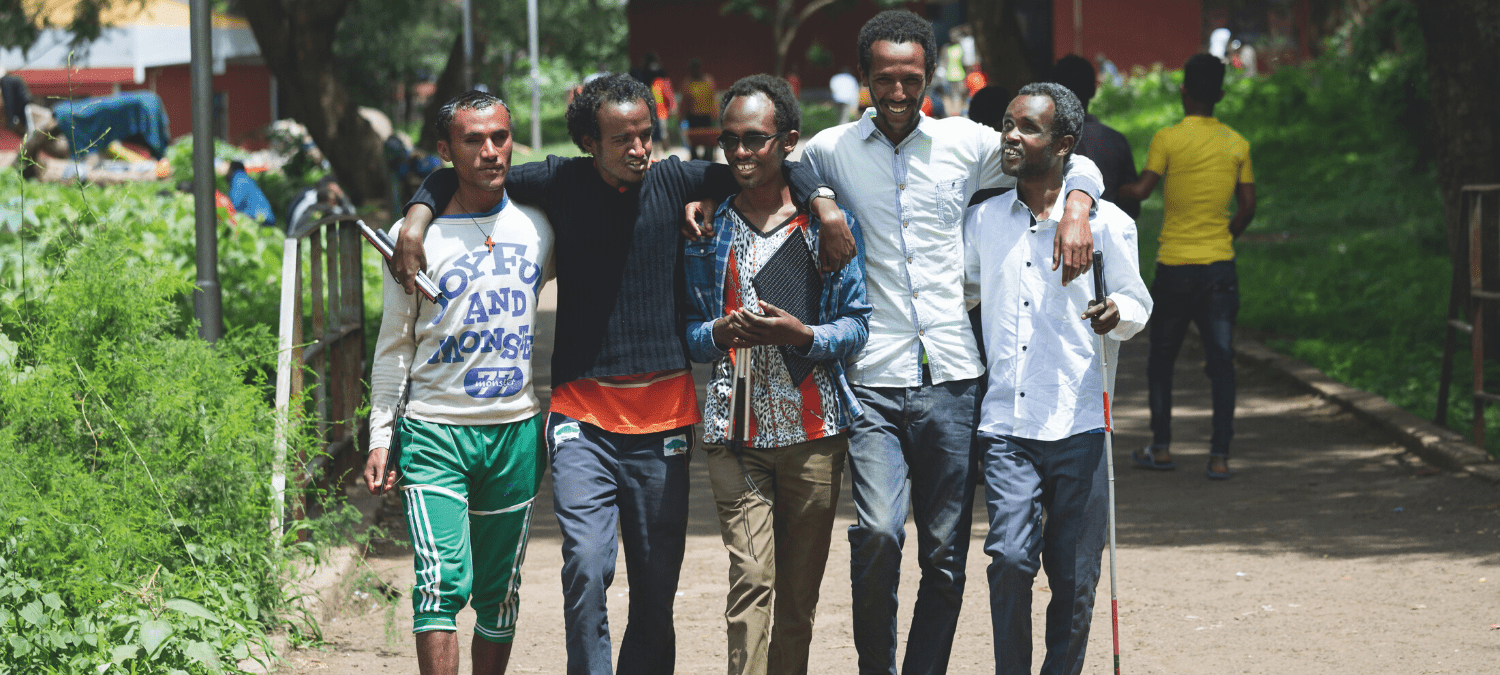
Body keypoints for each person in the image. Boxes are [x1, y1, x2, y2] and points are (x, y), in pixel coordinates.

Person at [391, 74, 853, 675]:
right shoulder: (558, 180)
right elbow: (462, 171)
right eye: (622, 140)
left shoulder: (677, 179)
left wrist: (824, 204)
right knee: (584, 564)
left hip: (663, 418)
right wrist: (414, 222)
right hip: (582, 414)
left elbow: (770, 165)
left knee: (656, 589)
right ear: (588, 140)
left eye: (646, 135)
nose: (640, 149)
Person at [797, 10, 1103, 674]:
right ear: (866, 77)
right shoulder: (831, 149)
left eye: (911, 77)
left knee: (943, 553)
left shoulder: (969, 143)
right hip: (873, 378)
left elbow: (1068, 153)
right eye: (885, 78)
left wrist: (1078, 203)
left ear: (930, 74)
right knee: (877, 532)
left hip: (955, 384)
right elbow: (782, 163)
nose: (898, 91)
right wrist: (823, 202)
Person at [363, 89, 555, 675]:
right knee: (441, 584)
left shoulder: (541, 226)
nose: (491, 152)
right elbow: (394, 345)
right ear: (446, 150)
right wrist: (379, 434)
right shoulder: (412, 237)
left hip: (515, 435)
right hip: (434, 433)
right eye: (473, 140)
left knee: (499, 595)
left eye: (500, 137)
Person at [683, 75, 869, 675]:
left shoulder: (826, 227)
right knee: (751, 579)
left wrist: (804, 336)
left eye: (755, 140)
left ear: (788, 141)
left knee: (797, 596)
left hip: (814, 435)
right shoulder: (705, 231)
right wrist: (718, 333)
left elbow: (857, 324)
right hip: (733, 434)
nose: (739, 152)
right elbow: (688, 329)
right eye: (729, 140)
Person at [963, 82, 1151, 675]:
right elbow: (957, 293)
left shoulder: (1110, 225)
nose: (1011, 137)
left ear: (1065, 143)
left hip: (1081, 421)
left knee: (1074, 576)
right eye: (1008, 125)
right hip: (1006, 425)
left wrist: (1116, 313)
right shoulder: (985, 220)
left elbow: (1137, 300)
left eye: (1028, 128)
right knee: (1010, 559)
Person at [1119, 53, 1256, 479]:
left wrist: (1104, 182)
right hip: (1219, 269)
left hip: (1174, 267)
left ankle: (1160, 448)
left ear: (1183, 93)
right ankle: (1219, 456)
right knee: (1221, 361)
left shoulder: (1167, 139)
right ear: (1219, 94)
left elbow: (1141, 191)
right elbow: (1249, 205)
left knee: (1161, 360)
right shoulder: (1237, 143)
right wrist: (1226, 234)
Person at [1052, 54, 1141, 218]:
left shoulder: (1042, 141)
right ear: (1093, 91)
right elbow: (1131, 208)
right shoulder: (1116, 141)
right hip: (1105, 234)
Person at [680, 57, 719, 160]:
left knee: (709, 142)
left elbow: (713, 98)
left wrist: (716, 114)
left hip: (706, 117)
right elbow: (685, 101)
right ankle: (695, 160)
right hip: (693, 117)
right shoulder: (687, 83)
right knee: (693, 143)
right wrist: (681, 116)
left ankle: (709, 160)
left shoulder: (708, 81)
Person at [285, 175, 350, 233]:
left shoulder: (309, 195)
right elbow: (348, 212)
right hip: (296, 236)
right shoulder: (313, 202)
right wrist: (341, 196)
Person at [226, 161, 275, 226]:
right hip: (265, 217)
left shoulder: (238, 179)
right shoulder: (245, 178)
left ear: (231, 169)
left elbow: (235, 204)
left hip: (257, 218)